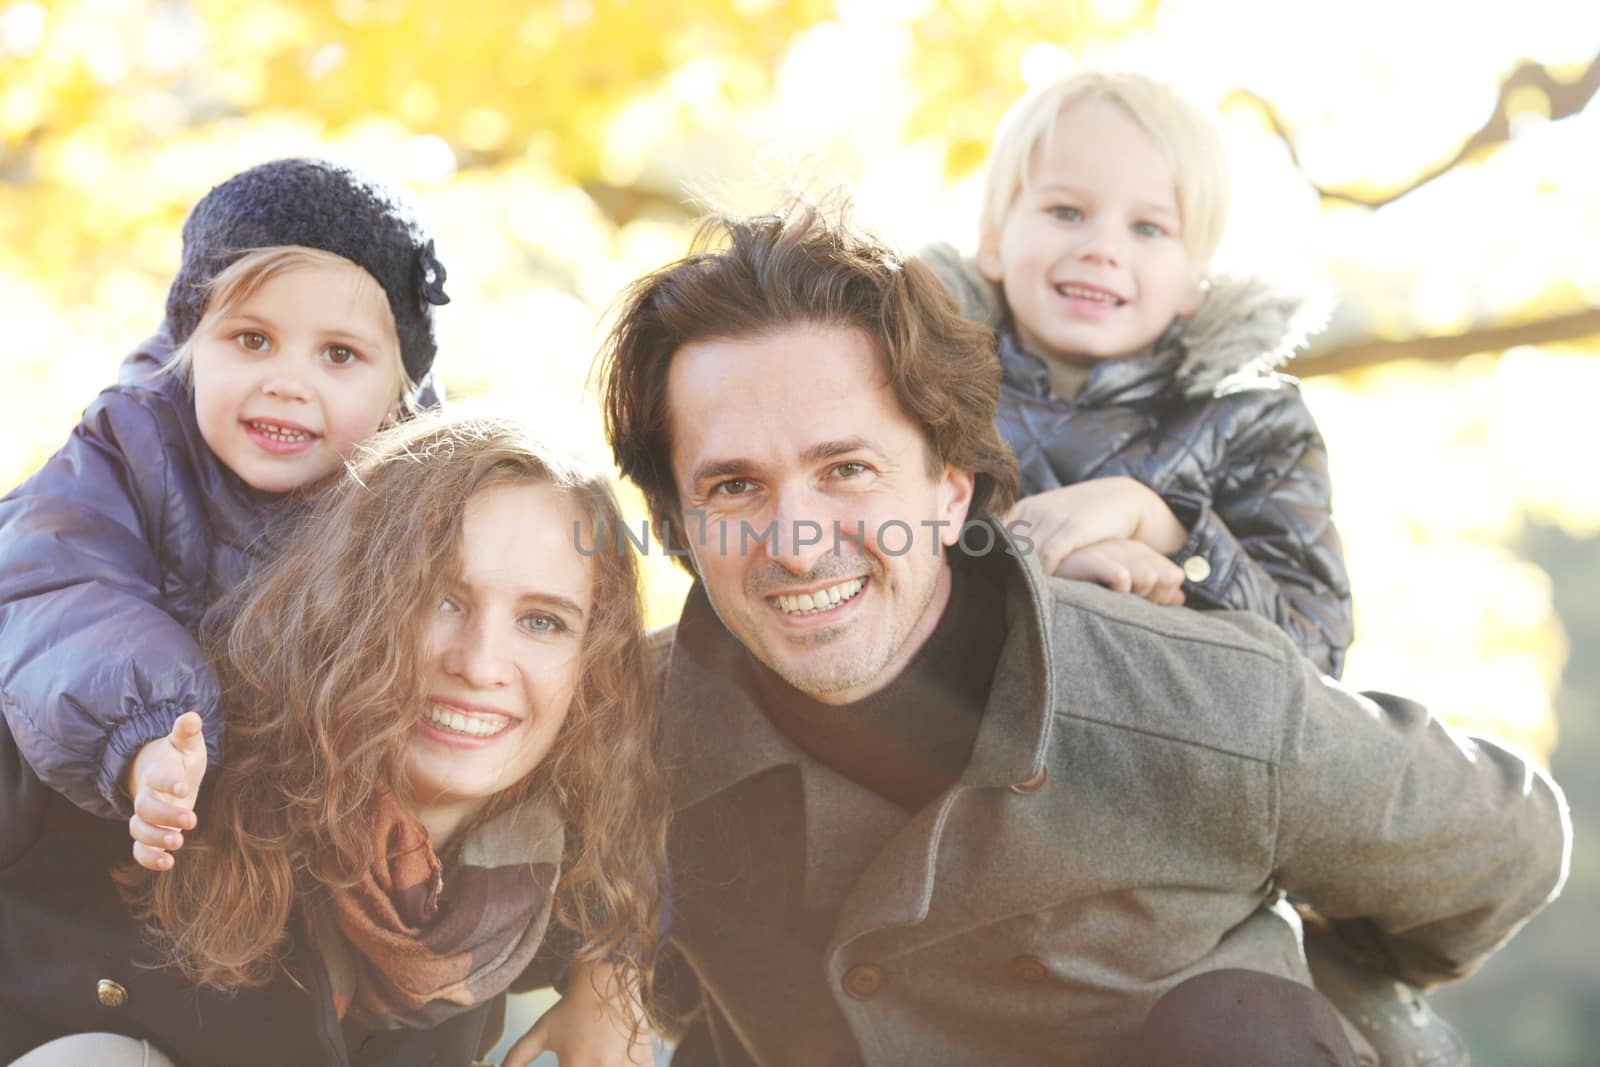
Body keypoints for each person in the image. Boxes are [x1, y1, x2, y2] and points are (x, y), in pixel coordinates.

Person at [596, 198, 1570, 1066]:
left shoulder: (1198, 699)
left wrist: (1291, 953)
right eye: (733, 486)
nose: (797, 544)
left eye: (846, 468)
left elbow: (1503, 845)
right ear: (678, 522)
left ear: (948, 488)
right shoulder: (608, 726)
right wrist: (603, 991)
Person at [0, 414, 667, 1067]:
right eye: (438, 598)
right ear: (350, 604)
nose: (481, 663)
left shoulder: (543, 880)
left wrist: (616, 977)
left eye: (543, 621)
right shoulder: (157, 751)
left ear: (592, 665)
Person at [0, 157, 453, 863]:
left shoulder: (423, 505)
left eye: (338, 354)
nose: (288, 383)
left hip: (318, 846)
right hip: (116, 834)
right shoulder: (132, 444)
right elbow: (54, 588)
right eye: (252, 340)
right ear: (192, 341)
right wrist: (151, 734)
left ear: (399, 390)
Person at [921, 68, 1353, 676]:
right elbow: (862, 552)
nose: (1103, 248)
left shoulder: (1252, 422)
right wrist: (1035, 566)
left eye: (1148, 227)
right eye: (1066, 211)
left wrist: (1167, 529)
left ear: (1193, 279)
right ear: (993, 239)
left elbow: (1315, 658)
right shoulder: (921, 388)